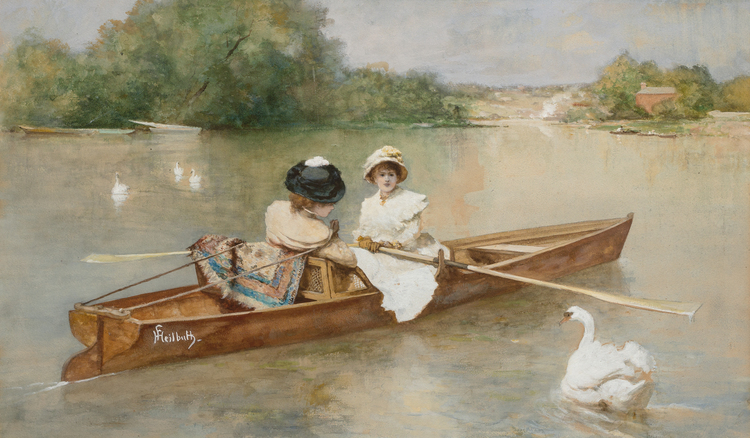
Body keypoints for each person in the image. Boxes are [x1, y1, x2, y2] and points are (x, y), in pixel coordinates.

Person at [191, 156, 356, 309]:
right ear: (314, 202)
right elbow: (349, 260)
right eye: (329, 202)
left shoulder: (278, 209)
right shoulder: (319, 232)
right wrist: (334, 236)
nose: (333, 206)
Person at [351, 145, 446, 322]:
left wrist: (389, 244)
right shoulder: (369, 203)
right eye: (382, 175)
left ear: (397, 178)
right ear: (374, 178)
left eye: (391, 175)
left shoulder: (410, 200)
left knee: (406, 278)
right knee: (357, 256)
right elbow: (364, 230)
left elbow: (413, 233)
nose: (387, 179)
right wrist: (365, 241)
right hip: (378, 251)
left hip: (404, 251)